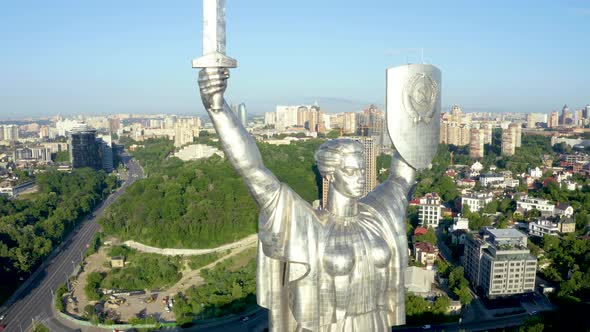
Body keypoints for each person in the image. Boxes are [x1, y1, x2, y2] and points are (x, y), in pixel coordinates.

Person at [199, 68, 416, 332]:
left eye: (362, 169)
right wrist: (218, 109)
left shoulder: (378, 215)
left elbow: (403, 175)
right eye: (349, 171)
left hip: (376, 322)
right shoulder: (309, 226)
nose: (359, 178)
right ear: (330, 175)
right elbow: (252, 170)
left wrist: (415, 107)